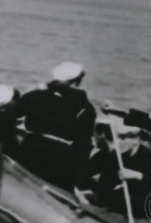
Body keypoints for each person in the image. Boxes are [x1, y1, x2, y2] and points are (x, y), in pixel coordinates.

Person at [11, 62, 97, 199]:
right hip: (58, 162)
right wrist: (77, 183)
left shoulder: (34, 96)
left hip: (28, 153)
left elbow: (7, 117)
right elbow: (82, 148)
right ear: (77, 82)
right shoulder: (85, 109)